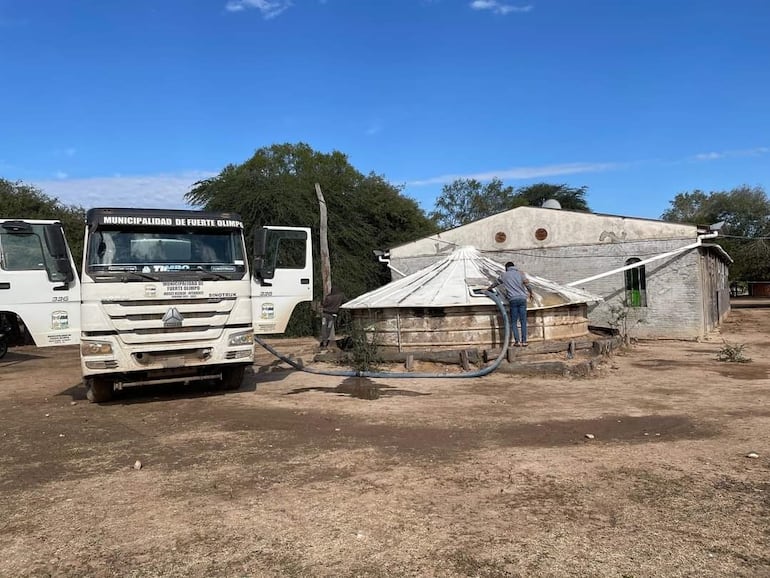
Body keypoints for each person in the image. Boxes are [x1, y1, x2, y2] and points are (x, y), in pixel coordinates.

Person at [488, 261, 534, 347]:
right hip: (522, 299)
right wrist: (531, 293)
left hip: (513, 299)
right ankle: (524, 341)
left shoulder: (504, 275)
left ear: (506, 268)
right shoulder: (520, 273)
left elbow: (495, 283)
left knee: (513, 322)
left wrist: (489, 288)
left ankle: (517, 341)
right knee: (523, 321)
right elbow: (527, 285)